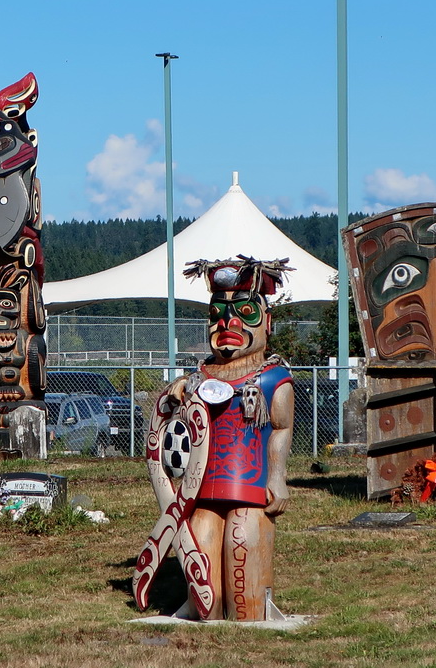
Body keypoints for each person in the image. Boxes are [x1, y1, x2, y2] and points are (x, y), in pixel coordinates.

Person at [143, 257, 294, 621]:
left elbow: (281, 428)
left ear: (267, 323)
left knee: (243, 543)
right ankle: (201, 613)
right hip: (204, 489)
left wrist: (278, 476)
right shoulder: (198, 376)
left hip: (252, 488)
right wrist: (176, 394)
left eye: (245, 312)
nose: (228, 323)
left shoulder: (273, 378)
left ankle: (252, 614)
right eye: (217, 314)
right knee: (202, 546)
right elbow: (177, 422)